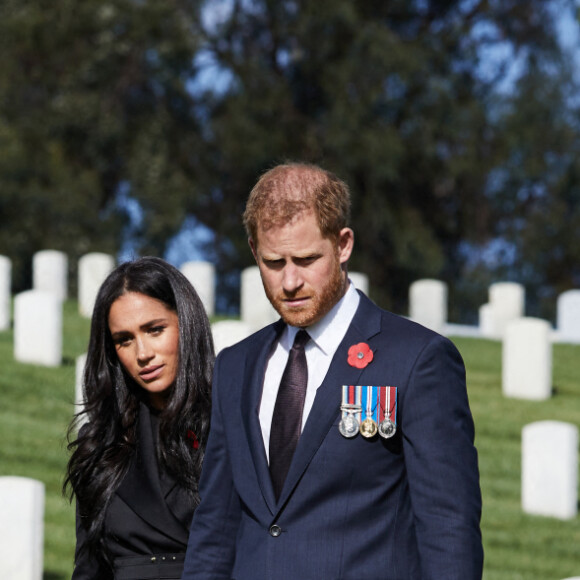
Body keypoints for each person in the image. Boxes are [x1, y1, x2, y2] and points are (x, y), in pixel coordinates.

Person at [181, 162, 483, 580]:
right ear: (253, 251)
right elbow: (215, 526)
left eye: (306, 260)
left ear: (343, 245)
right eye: (273, 262)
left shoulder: (417, 360)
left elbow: (449, 526)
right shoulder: (235, 366)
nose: (289, 282)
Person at [64, 257, 214, 580]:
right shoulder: (101, 443)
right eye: (124, 340)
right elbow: (89, 568)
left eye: (155, 330)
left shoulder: (233, 423)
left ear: (186, 323)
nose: (142, 353)